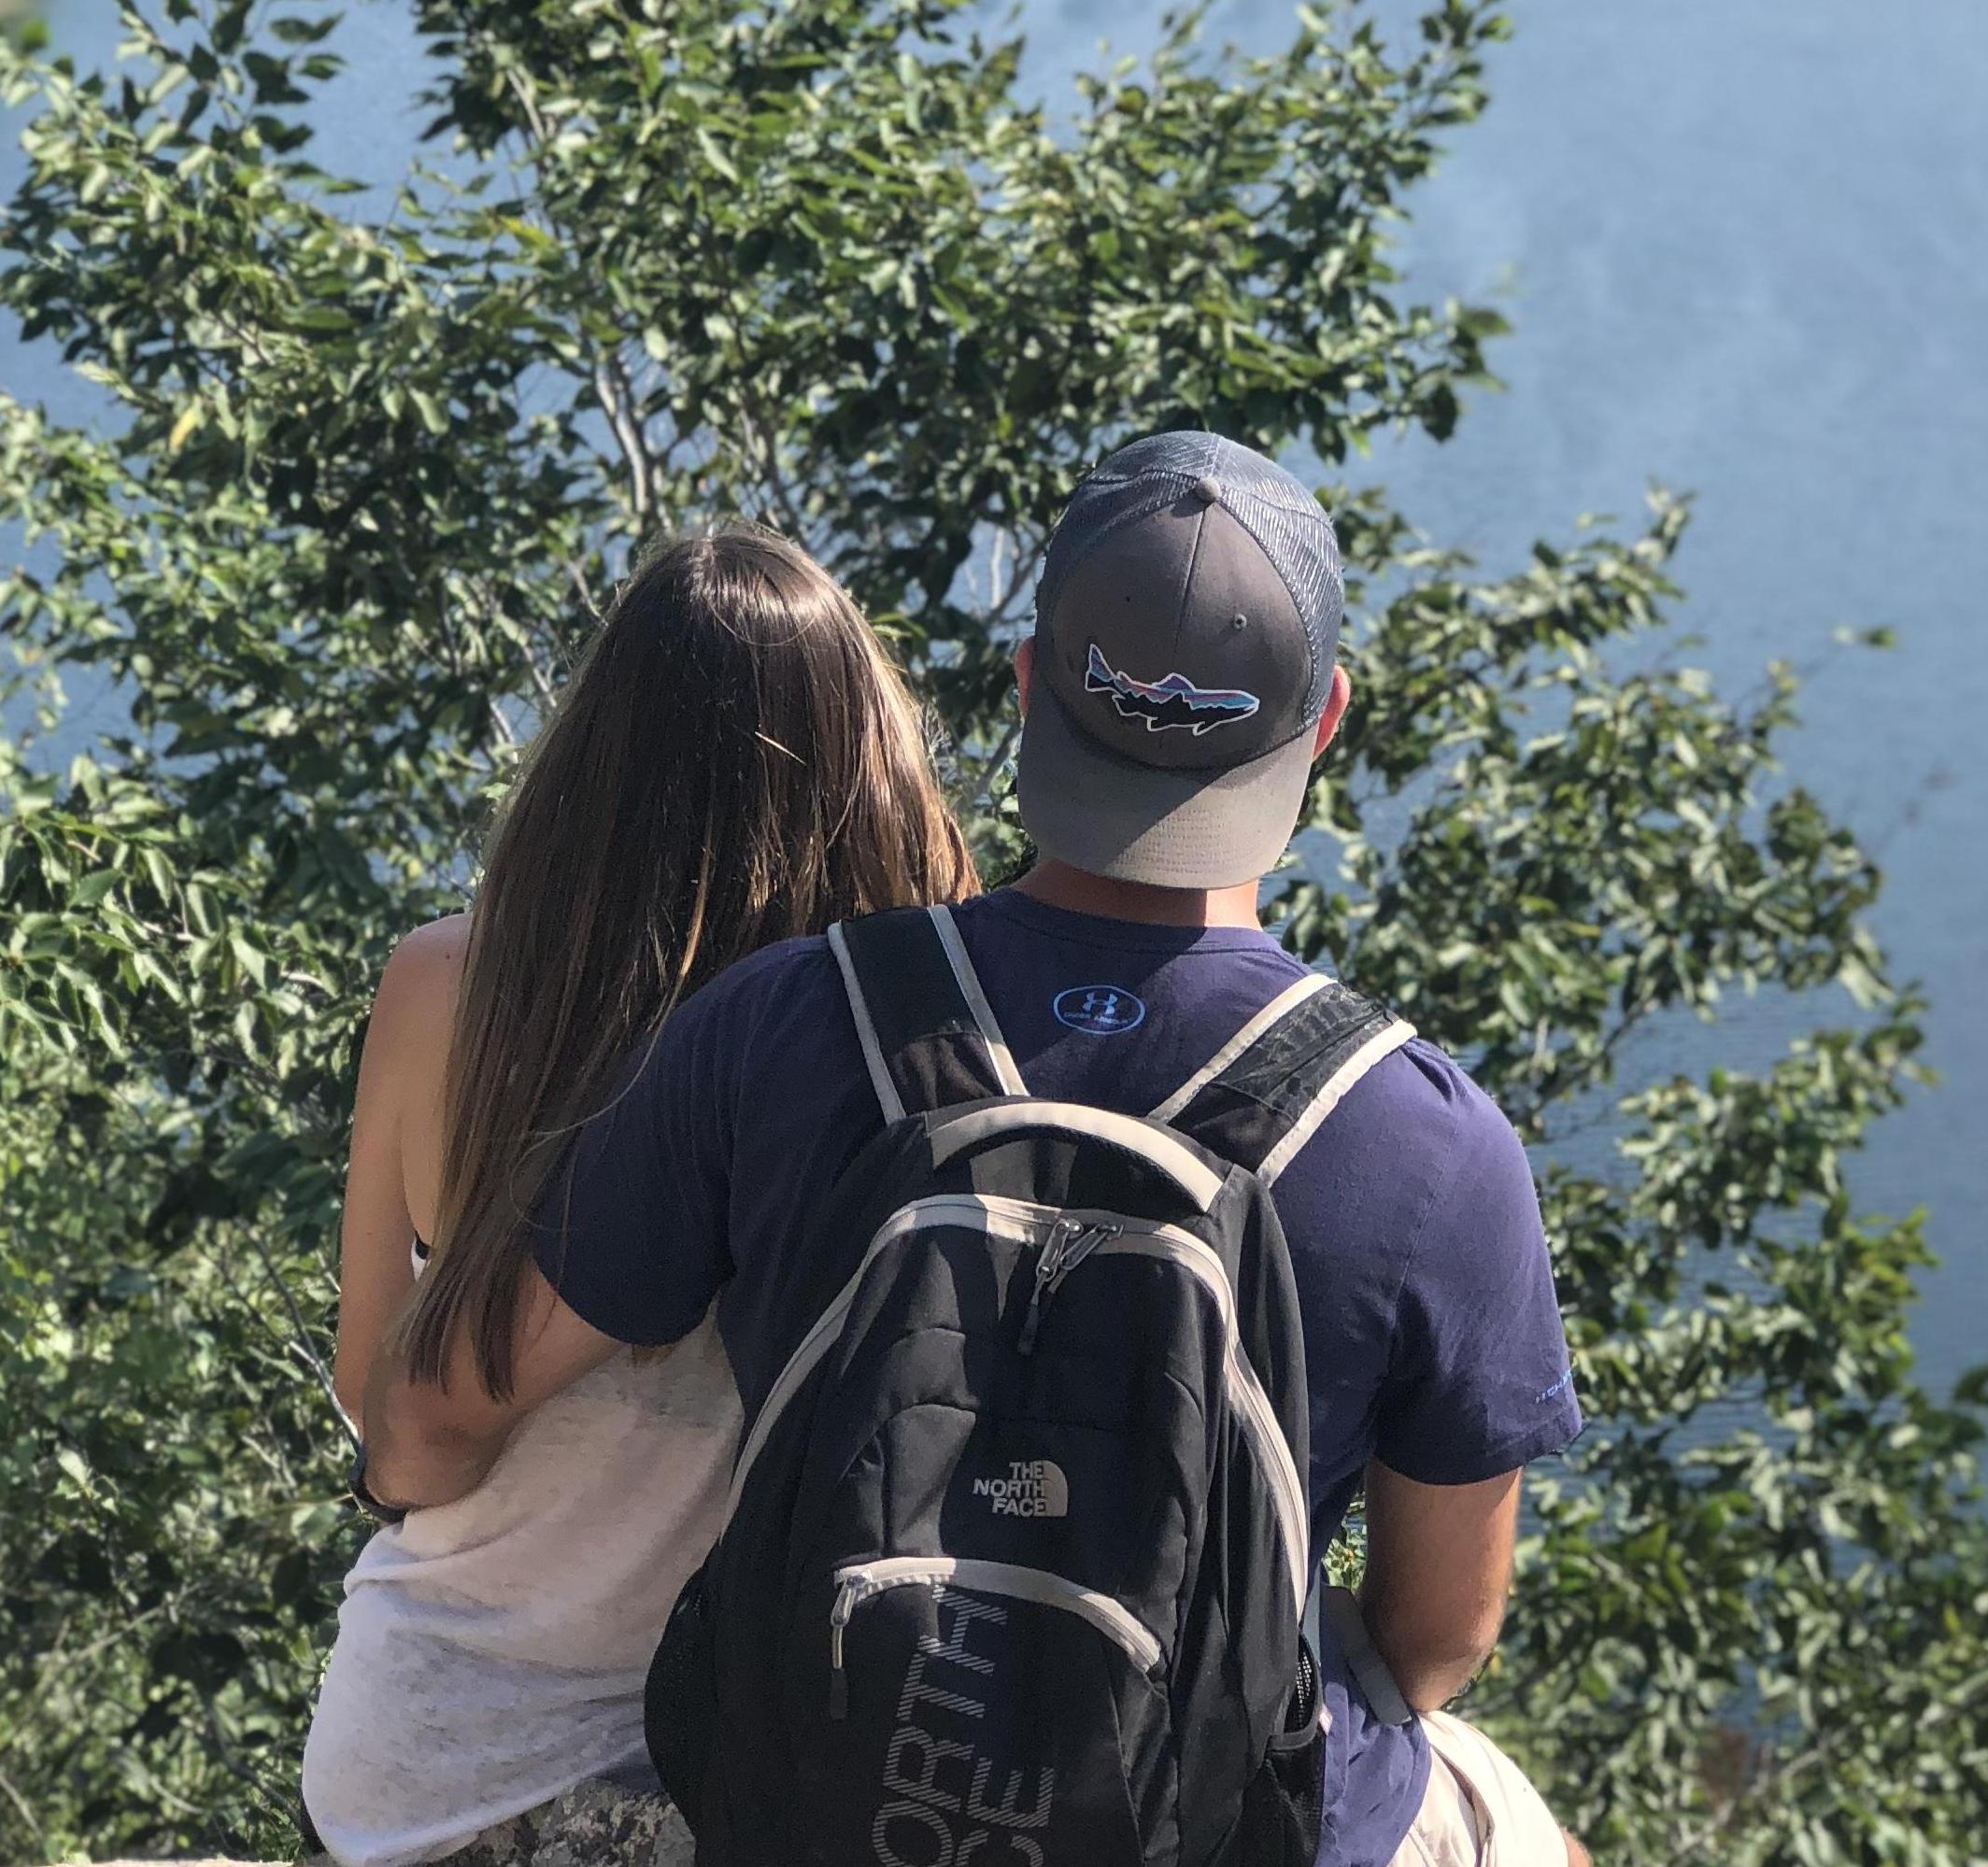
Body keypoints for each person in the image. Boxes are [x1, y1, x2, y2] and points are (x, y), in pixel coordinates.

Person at [364, 432, 1591, 1867]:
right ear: (1322, 720)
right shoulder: (1428, 1142)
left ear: (1026, 683)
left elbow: (451, 1400)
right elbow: (1441, 1634)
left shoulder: (786, 1020)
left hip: (821, 1798)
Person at [312, 526, 978, 1867]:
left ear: (598, 758)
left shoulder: (444, 985)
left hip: (416, 1750)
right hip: (741, 1770)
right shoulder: (901, 1046)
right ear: (863, 756)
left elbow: (370, 1399)